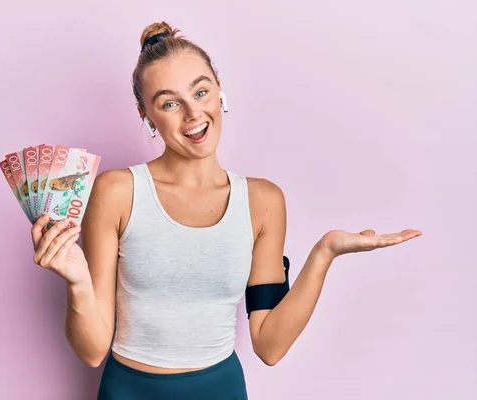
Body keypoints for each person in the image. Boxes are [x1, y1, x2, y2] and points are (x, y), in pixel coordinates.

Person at [30, 21, 422, 400]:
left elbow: (269, 344)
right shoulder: (118, 191)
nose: (193, 114)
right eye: (169, 103)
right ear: (145, 114)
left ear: (219, 89)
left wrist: (324, 253)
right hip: (130, 391)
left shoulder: (264, 202)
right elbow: (92, 350)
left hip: (221, 391)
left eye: (201, 92)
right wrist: (78, 282)